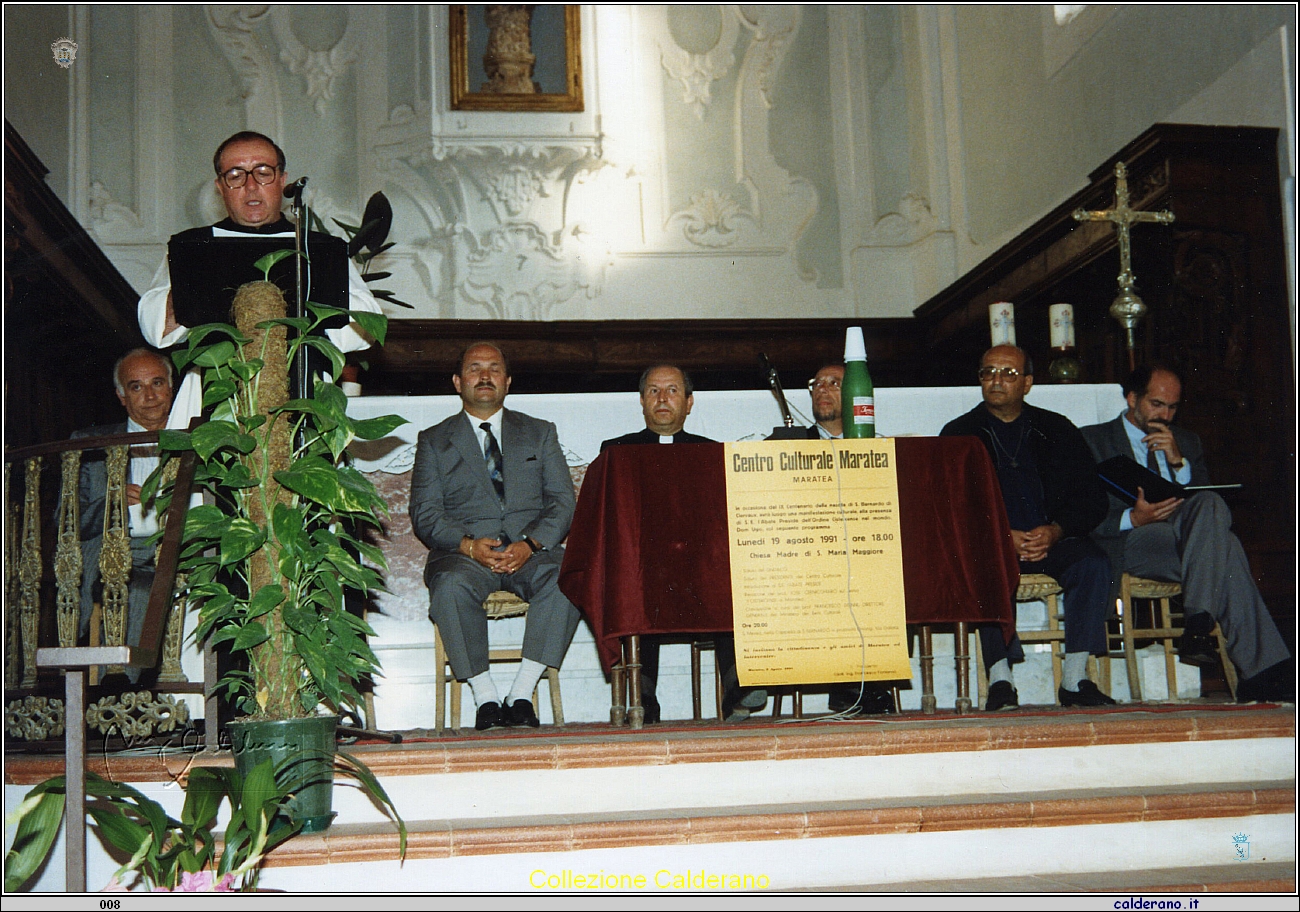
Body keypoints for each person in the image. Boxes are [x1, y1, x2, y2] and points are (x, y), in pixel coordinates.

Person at [136, 131, 382, 421]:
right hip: (217, 395)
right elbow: (155, 328)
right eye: (236, 175)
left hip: (302, 393)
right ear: (220, 186)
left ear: (281, 179)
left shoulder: (317, 248)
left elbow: (367, 325)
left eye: (263, 172)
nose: (251, 186)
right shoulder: (196, 247)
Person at [1081, 365, 1291, 702]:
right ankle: (1262, 669)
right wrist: (1133, 518)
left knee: (1210, 503)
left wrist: (1179, 463)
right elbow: (1080, 510)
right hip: (1133, 537)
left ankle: (1197, 622)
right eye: (1156, 404)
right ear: (1132, 398)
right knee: (1227, 548)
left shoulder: (1187, 441)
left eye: (1173, 407)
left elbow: (1210, 508)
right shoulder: (1093, 439)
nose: (1165, 414)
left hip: (1187, 536)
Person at [410, 342, 582, 730]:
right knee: (450, 585)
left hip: (531, 552)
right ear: (457, 382)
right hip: (464, 556)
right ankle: (485, 695)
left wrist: (531, 544)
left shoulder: (540, 433)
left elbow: (562, 502)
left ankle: (521, 693)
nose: (484, 376)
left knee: (568, 577)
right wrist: (468, 545)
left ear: (507, 381)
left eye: (493, 369)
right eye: (474, 368)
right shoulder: (434, 440)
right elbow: (425, 513)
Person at [940, 344, 1117, 710]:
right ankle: (1001, 679)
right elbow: (948, 507)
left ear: (1028, 383)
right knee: (983, 566)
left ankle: (1075, 678)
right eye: (988, 372)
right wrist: (1001, 537)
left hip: (1050, 540)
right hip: (993, 545)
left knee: (1093, 562)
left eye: (1008, 373)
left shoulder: (1056, 429)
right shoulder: (959, 433)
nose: (997, 381)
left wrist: (1056, 531)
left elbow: (1092, 498)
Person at [599, 364, 736, 723]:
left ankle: (737, 686)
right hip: (644, 570)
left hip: (698, 570)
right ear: (642, 401)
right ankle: (643, 694)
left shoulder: (712, 453)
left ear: (689, 403)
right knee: (639, 580)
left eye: (673, 391)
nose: (663, 399)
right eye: (654, 391)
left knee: (729, 574)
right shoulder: (616, 452)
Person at [768, 363, 896, 716]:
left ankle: (873, 681)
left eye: (834, 383)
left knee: (889, 571)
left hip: (866, 555)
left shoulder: (878, 447)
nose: (822, 389)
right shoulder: (784, 445)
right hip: (806, 558)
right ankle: (849, 686)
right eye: (816, 383)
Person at [72, 348, 175, 683]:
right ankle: (120, 693)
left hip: (179, 551)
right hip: (113, 550)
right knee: (132, 587)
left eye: (157, 383)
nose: (150, 395)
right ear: (121, 395)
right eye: (136, 387)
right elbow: (66, 521)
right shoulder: (90, 444)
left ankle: (151, 694)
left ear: (171, 387)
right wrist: (111, 504)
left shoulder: (198, 440)